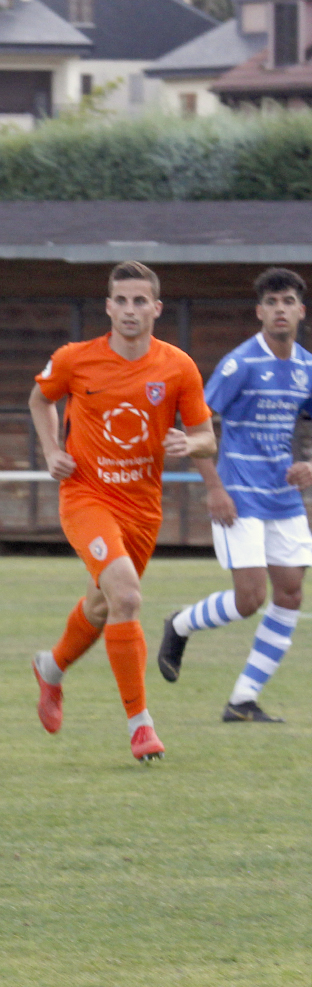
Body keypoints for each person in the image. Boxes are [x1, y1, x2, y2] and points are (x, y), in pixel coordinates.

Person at [27, 261, 214, 763]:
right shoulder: (75, 360)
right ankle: (140, 726)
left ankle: (51, 668)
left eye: (140, 302)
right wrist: (51, 451)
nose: (130, 310)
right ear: (109, 307)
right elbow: (39, 399)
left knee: (104, 605)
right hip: (86, 496)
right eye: (121, 301)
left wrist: (187, 440)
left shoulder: (178, 366)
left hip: (142, 507)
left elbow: (207, 437)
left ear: (156, 308)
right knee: (128, 595)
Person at [158, 268, 312, 722]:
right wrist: (214, 488)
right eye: (272, 303)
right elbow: (196, 425)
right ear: (259, 311)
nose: (280, 310)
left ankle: (242, 700)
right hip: (238, 496)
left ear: (300, 311)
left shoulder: (306, 366)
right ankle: (179, 624)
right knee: (249, 599)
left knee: (290, 594)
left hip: (282, 498)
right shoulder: (239, 364)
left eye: (288, 302)